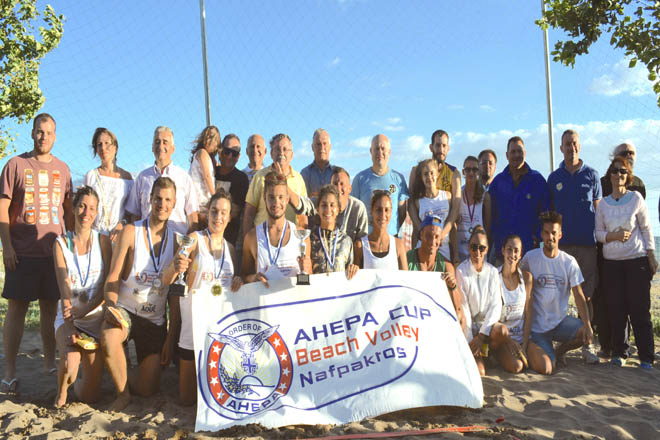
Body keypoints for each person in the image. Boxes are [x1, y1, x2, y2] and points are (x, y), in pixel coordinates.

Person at [1, 113, 73, 394]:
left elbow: (67, 210)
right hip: (21, 251)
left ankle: (47, 362)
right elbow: (3, 209)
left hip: (52, 251)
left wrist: (67, 244)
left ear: (55, 136)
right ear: (32, 133)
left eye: (49, 132)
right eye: (39, 132)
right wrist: (6, 245)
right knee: (17, 308)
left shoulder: (63, 169)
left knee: (49, 308)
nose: (44, 137)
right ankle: (9, 370)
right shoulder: (15, 165)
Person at [99, 177, 179, 410]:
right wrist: (110, 306)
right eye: (157, 198)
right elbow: (113, 276)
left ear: (174, 204)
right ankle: (122, 394)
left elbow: (175, 294)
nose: (162, 204)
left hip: (154, 319)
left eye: (167, 200)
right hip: (126, 309)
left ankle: (121, 368)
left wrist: (171, 337)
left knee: (147, 389)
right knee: (108, 336)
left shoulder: (177, 240)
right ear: (149, 199)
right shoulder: (131, 231)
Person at [167, 189, 243, 405]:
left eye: (223, 213)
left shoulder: (230, 249)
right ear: (207, 213)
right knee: (187, 400)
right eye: (214, 211)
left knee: (215, 399)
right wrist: (175, 267)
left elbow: (234, 291)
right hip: (192, 332)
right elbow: (167, 280)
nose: (218, 217)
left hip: (219, 333)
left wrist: (238, 282)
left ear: (229, 217)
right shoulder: (192, 240)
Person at [53, 186, 112, 407]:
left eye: (91, 208)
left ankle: (81, 379)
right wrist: (69, 325)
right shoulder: (60, 244)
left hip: (95, 319)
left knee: (90, 396)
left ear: (96, 213)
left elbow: (107, 287)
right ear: (74, 208)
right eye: (81, 206)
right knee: (70, 361)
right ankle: (61, 393)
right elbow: (64, 290)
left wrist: (86, 310)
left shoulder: (103, 242)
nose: (86, 213)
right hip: (70, 316)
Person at [595, 158, 657, 369]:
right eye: (614, 171)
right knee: (616, 310)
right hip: (612, 264)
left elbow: (647, 229)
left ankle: (646, 357)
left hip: (636, 261)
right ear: (609, 175)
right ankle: (620, 352)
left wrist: (651, 256)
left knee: (639, 310)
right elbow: (599, 234)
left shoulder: (636, 199)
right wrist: (615, 236)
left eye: (623, 171)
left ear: (628, 175)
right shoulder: (603, 204)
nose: (618, 175)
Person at [520, 211, 596, 375]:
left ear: (560, 234)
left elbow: (579, 296)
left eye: (554, 233)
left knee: (584, 332)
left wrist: (589, 326)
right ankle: (544, 352)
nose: (550, 237)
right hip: (537, 328)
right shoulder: (530, 258)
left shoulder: (569, 262)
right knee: (547, 369)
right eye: (546, 233)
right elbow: (513, 281)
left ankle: (559, 352)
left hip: (560, 323)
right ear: (541, 234)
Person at [547, 130, 601, 331]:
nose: (571, 147)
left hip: (587, 245)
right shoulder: (553, 178)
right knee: (558, 295)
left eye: (574, 143)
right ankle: (558, 340)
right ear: (561, 148)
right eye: (567, 144)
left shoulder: (592, 175)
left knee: (586, 296)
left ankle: (587, 342)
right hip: (562, 247)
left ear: (580, 145)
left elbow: (599, 209)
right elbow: (550, 214)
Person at [125, 126, 199, 235]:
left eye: (165, 142)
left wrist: (187, 246)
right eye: (157, 142)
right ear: (152, 147)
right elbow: (134, 214)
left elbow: (193, 217)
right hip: (147, 242)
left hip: (176, 243)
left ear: (173, 148)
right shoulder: (142, 177)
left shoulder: (184, 178)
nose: (161, 146)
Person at [242, 172, 311, 285]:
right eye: (271, 197)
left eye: (280, 197)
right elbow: (243, 277)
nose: (276, 202)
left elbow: (308, 280)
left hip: (292, 301)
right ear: (264, 199)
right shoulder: (251, 237)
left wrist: (307, 270)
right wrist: (253, 278)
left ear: (287, 199)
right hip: (265, 301)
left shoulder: (301, 236)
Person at [489, 136, 549, 263]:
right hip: (503, 255)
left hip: (530, 254)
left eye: (519, 151)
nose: (516, 155)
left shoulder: (537, 180)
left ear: (525, 153)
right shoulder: (498, 182)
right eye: (513, 152)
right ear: (506, 155)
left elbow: (545, 214)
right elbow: (491, 217)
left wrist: (536, 238)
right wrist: (498, 239)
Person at [455, 227, 502, 376]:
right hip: (469, 328)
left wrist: (482, 336)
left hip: (486, 329)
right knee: (480, 372)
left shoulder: (493, 272)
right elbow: (464, 308)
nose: (477, 252)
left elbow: (496, 306)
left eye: (481, 248)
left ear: (487, 249)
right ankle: (480, 356)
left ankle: (490, 354)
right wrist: (472, 341)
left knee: (502, 331)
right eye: (474, 247)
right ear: (468, 247)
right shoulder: (461, 271)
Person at [407, 215, 465, 329]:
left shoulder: (446, 265)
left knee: (459, 317)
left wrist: (452, 287)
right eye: (428, 236)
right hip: (411, 312)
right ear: (421, 236)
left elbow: (457, 307)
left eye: (436, 237)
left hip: (434, 314)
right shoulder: (407, 259)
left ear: (440, 240)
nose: (432, 241)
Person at [243, 133, 308, 232]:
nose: (281, 153)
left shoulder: (298, 179)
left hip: (291, 240)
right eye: (277, 149)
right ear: (271, 153)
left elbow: (303, 216)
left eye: (285, 149)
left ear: (292, 155)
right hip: (263, 239)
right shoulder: (260, 177)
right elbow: (249, 214)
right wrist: (247, 243)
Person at [490, 234, 532, 374]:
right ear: (502, 250)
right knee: (517, 367)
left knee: (546, 367)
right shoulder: (494, 277)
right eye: (509, 249)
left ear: (520, 255)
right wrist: (510, 342)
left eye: (516, 251)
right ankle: (495, 355)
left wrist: (524, 345)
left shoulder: (526, 278)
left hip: (521, 338)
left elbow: (528, 313)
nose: (512, 254)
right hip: (503, 339)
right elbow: (492, 317)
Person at [351, 134, 409, 236]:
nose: (380, 152)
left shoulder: (398, 179)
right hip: (367, 239)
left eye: (383, 148)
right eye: (376, 148)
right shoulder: (360, 179)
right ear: (371, 151)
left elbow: (402, 212)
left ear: (389, 152)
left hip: (392, 239)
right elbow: (354, 211)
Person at [82, 128, 133, 242]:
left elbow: (131, 211)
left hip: (118, 237)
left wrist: (122, 224)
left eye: (107, 143)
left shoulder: (127, 179)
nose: (103, 148)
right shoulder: (91, 176)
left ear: (115, 147)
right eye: (99, 144)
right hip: (94, 236)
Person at [408, 129, 462, 236]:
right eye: (437, 145)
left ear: (448, 148)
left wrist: (441, 235)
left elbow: (455, 208)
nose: (441, 150)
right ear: (431, 147)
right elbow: (410, 203)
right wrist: (421, 230)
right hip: (421, 234)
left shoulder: (454, 173)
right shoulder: (417, 170)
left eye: (444, 146)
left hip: (446, 236)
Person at [408, 159, 454, 261]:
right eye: (425, 174)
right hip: (423, 251)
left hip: (443, 250)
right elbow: (416, 230)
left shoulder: (447, 196)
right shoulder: (418, 201)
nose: (429, 177)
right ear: (421, 177)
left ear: (437, 173)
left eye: (432, 173)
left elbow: (453, 225)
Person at [310, 185, 358, 279]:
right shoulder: (309, 239)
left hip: (340, 293)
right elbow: (303, 276)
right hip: (316, 292)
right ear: (317, 209)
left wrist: (354, 269)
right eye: (324, 205)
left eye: (332, 205)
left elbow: (351, 276)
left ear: (338, 209)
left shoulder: (346, 241)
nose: (328, 210)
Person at [354, 190, 408, 270]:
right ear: (371, 211)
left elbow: (405, 280)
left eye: (386, 210)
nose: (383, 215)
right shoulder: (360, 246)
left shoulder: (399, 245)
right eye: (378, 210)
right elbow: (355, 279)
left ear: (391, 212)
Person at [215, 134, 249, 246]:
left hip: (228, 242)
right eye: (226, 151)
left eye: (234, 153)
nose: (230, 156)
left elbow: (233, 212)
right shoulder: (210, 172)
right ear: (220, 151)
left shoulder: (241, 179)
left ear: (239, 156)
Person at [457, 156, 491, 263]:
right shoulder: (457, 194)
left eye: (474, 169)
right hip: (461, 250)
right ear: (463, 172)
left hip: (478, 252)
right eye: (468, 170)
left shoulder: (485, 196)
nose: (471, 173)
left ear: (479, 171)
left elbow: (488, 227)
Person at [189, 126, 221, 224]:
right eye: (209, 137)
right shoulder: (202, 153)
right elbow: (207, 176)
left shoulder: (210, 158)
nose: (211, 141)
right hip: (200, 202)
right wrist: (215, 197)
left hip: (204, 202)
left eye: (215, 139)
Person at [301, 129, 335, 201]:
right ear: (312, 147)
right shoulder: (305, 174)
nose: (322, 148)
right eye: (318, 144)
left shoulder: (337, 173)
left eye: (325, 143)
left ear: (330, 147)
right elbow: (303, 200)